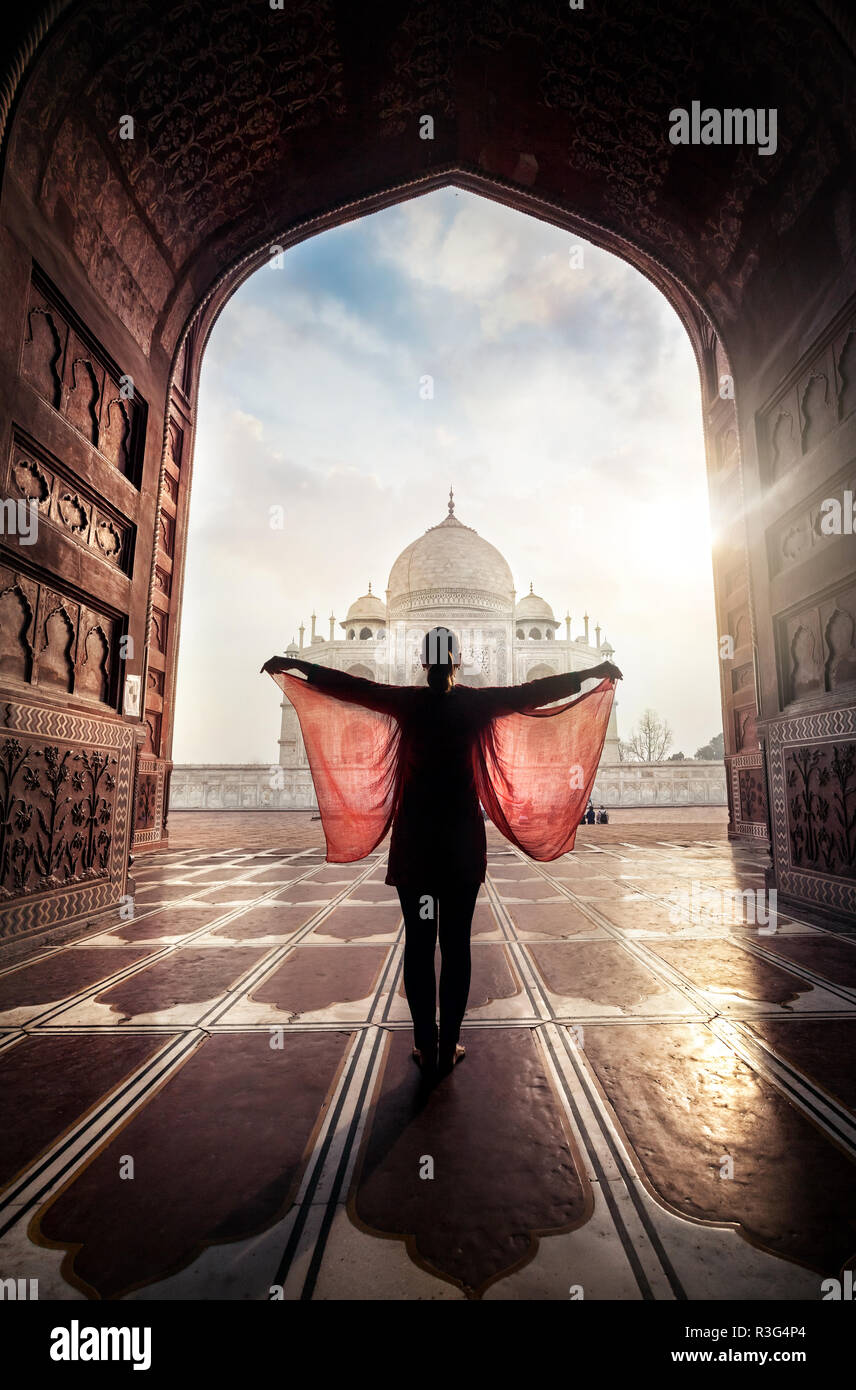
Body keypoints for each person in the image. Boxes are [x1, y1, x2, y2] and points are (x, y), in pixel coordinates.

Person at [262, 629, 621, 1080]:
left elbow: (349, 686)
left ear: (422, 662)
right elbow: (536, 691)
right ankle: (448, 1044)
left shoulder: (408, 702)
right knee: (455, 948)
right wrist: (593, 673)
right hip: (460, 848)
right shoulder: (474, 704)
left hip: (416, 845)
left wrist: (297, 667)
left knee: (418, 944)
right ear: (458, 661)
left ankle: (424, 1043)